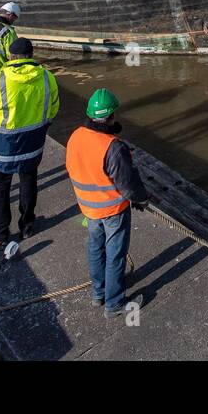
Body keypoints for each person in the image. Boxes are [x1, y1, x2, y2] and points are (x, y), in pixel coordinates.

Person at [65, 88, 149, 316]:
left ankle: (98, 293)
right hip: (112, 209)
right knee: (115, 254)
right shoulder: (112, 146)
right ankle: (115, 304)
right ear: (111, 116)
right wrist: (142, 199)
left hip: (89, 207)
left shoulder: (76, 136)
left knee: (95, 247)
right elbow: (127, 183)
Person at [0, 38, 59, 250]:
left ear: (10, 56)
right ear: (31, 54)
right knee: (29, 182)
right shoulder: (47, 78)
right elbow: (53, 108)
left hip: (3, 146)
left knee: (0, 188)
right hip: (33, 143)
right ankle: (27, 225)